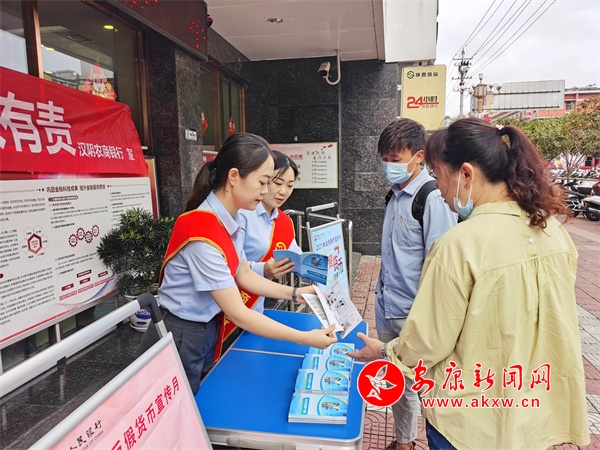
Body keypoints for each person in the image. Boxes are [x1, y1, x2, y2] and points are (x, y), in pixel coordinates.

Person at [348, 118, 590, 449]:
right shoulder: (553, 232)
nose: (439, 188)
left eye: (438, 175)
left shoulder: (460, 244)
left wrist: (383, 352)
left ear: (465, 174)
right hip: (531, 408)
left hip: (468, 416)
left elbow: (428, 342)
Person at [140, 133, 337, 395]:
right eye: (263, 182)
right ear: (234, 176)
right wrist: (304, 338)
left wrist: (295, 293)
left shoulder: (232, 220)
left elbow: (243, 273)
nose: (266, 191)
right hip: (181, 333)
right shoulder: (201, 230)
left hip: (207, 326)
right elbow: (238, 313)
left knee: (199, 399)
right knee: (175, 405)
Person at [373, 118, 457, 450]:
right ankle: (403, 441)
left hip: (415, 315)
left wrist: (427, 319)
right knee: (397, 381)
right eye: (384, 159)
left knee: (424, 386)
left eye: (395, 158)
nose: (388, 165)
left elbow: (441, 268)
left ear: (419, 155)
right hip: (387, 308)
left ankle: (429, 439)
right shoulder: (394, 195)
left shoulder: (432, 198)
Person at [240, 150, 302, 314]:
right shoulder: (242, 214)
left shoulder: (285, 221)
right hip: (229, 306)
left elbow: (295, 254)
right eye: (278, 183)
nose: (284, 191)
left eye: (290, 185)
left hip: (256, 307)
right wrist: (263, 269)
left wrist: (311, 265)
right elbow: (230, 265)